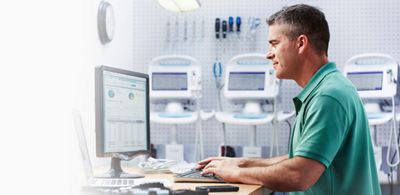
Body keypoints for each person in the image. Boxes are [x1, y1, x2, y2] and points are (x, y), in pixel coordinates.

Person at [198, 4, 381, 194]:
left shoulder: (328, 96)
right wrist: (242, 164)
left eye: (274, 43)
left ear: (301, 43)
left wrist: (235, 174)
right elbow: (302, 158)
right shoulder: (327, 88)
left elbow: (299, 174)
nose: (269, 54)